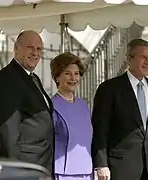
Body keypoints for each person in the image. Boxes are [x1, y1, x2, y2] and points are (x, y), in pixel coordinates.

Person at [91, 38, 148, 180]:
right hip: (119, 168)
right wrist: (101, 164)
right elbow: (100, 129)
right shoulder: (109, 89)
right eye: (143, 57)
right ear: (129, 59)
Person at [0, 30, 54, 174]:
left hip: (40, 164)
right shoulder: (8, 78)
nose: (35, 53)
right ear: (16, 49)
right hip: (24, 167)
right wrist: (18, 171)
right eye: (30, 47)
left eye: (39, 49)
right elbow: (8, 133)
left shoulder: (33, 78)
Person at [50, 52, 93, 180]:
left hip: (86, 171)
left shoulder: (83, 105)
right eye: (67, 73)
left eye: (76, 74)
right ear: (57, 77)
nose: (73, 78)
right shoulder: (51, 106)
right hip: (63, 172)